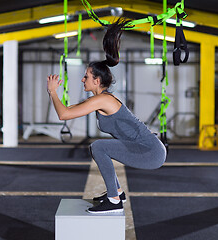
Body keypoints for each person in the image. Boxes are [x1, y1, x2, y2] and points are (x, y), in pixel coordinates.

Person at [47, 19, 166, 214]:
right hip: (147, 147)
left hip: (151, 152)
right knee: (100, 147)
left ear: (97, 80)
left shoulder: (103, 100)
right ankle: (117, 192)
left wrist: (52, 92)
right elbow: (68, 110)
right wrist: (54, 94)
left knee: (98, 146)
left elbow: (63, 115)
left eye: (86, 76)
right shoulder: (100, 100)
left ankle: (114, 200)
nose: (83, 79)